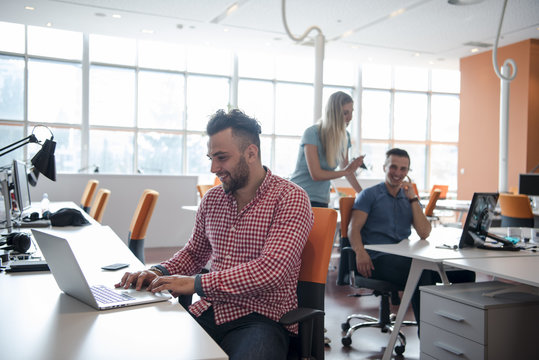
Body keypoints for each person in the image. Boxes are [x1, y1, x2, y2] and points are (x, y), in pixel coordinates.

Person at [116, 109, 314, 360]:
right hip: (211, 310)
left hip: (262, 318)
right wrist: (158, 272)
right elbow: (194, 252)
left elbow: (271, 270)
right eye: (211, 157)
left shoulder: (290, 198)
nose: (213, 168)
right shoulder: (212, 199)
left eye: (221, 158)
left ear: (251, 153)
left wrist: (195, 283)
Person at [348, 148, 474, 328]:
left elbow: (424, 232)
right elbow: (354, 228)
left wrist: (413, 198)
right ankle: (429, 336)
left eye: (403, 169)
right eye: (393, 167)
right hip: (377, 259)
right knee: (422, 273)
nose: (398, 173)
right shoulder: (369, 195)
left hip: (405, 257)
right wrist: (360, 252)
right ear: (384, 167)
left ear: (407, 172)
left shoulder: (408, 198)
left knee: (464, 272)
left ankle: (459, 329)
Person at [290, 91, 365, 208]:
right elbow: (316, 174)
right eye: (345, 113)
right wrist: (346, 171)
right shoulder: (312, 133)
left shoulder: (345, 137)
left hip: (322, 199)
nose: (350, 118)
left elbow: (347, 171)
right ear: (334, 114)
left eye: (351, 112)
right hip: (299, 197)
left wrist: (363, 194)